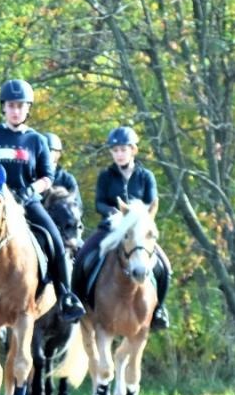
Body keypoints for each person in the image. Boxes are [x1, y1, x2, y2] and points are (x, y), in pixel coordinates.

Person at [0, 79, 87, 323]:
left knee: (55, 240)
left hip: (26, 202)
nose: (15, 111)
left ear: (28, 109)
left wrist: (30, 190)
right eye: (11, 106)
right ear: (4, 108)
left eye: (20, 106)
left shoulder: (36, 140)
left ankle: (66, 295)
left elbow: (47, 176)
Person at [73, 126, 170, 330]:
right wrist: (115, 213)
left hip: (140, 233)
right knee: (83, 257)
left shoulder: (146, 176)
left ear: (133, 150)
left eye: (123, 150)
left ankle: (159, 309)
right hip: (111, 228)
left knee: (165, 266)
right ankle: (76, 302)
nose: (119, 154)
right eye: (115, 150)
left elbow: (152, 204)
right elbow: (99, 203)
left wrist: (134, 217)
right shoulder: (106, 176)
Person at [47, 133, 81, 197]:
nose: (44, 154)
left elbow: (77, 204)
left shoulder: (67, 179)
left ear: (58, 154)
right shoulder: (31, 176)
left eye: (49, 150)